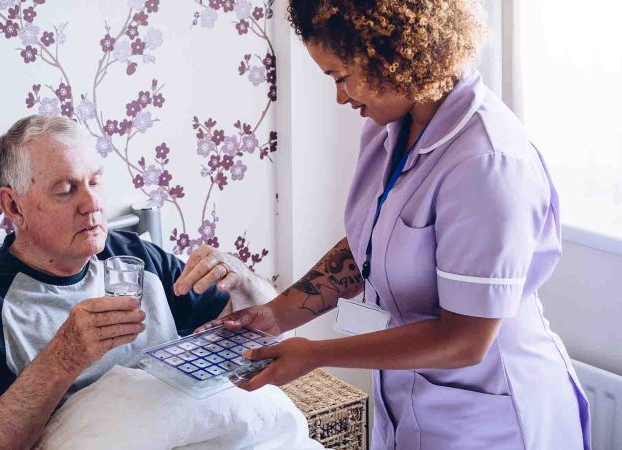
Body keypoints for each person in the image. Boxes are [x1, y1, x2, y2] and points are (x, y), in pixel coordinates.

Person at [195, 1, 591, 449]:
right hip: (410, 404)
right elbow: (372, 243)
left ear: (392, 53)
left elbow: (465, 340)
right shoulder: (392, 125)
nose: (340, 97)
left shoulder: (486, 164)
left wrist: (315, 355)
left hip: (493, 417)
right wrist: (277, 313)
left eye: (340, 76)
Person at [0, 115, 276, 449]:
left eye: (94, 182)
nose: (92, 204)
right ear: (14, 207)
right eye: (65, 189)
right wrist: (62, 358)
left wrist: (243, 280)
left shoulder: (139, 257)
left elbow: (265, 329)